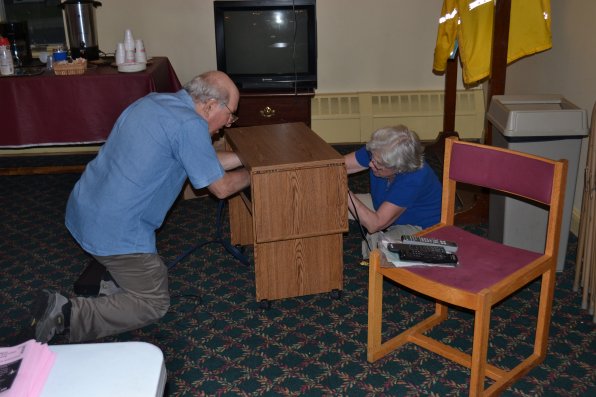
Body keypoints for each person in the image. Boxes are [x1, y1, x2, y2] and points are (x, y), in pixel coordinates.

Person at [31, 71, 251, 343]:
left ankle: (114, 284)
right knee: (153, 302)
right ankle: (66, 315)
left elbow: (201, 159)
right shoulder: (189, 125)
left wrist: (245, 157)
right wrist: (259, 173)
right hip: (117, 230)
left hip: (83, 210)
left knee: (149, 274)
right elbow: (221, 188)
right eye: (230, 114)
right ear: (209, 105)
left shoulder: (154, 102)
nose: (229, 123)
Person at [344, 125, 442, 259]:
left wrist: (343, 190)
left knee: (382, 251)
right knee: (332, 203)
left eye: (378, 163)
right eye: (372, 158)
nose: (371, 164)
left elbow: (374, 224)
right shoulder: (379, 151)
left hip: (419, 226)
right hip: (384, 203)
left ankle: (426, 251)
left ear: (399, 168)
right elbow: (338, 166)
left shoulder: (414, 177)